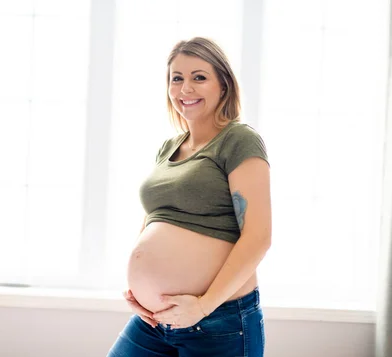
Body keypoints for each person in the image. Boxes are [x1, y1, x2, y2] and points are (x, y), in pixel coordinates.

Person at [107, 37, 272, 357]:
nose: (185, 88)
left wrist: (202, 306)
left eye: (199, 77)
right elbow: (155, 219)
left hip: (217, 320)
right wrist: (139, 290)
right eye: (177, 78)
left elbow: (258, 237)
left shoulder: (238, 139)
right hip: (153, 322)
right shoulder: (168, 148)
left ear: (223, 84)